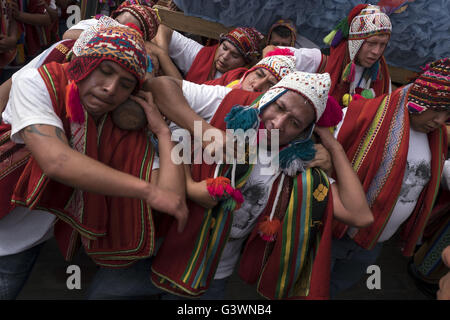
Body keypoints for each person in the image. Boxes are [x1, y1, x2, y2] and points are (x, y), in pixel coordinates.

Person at [101, 71, 372, 301]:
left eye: (295, 123)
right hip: (160, 242)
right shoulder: (229, 104)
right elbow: (159, 85)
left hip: (211, 271)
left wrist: (334, 147)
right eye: (279, 107)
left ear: (304, 133)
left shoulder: (298, 165)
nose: (277, 123)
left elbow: (359, 214)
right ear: (269, 96)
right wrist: (204, 131)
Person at [0, 25, 188, 300]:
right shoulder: (37, 81)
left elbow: (171, 195)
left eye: (125, 84)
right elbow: (56, 159)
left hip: (22, 246)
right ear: (82, 65)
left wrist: (162, 131)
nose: (111, 89)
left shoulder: (119, 130)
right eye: (106, 70)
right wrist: (147, 190)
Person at [330, 57, 450, 298]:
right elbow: (323, 163)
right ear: (421, 98)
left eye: (447, 114)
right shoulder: (361, 115)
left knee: (336, 288)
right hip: (337, 233)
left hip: (376, 240)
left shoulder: (437, 137)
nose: (440, 120)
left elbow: (436, 174)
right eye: (437, 110)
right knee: (310, 287)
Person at [265, 4, 392, 108]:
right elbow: (270, 51)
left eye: (383, 45)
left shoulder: (381, 79)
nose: (377, 51)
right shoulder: (319, 60)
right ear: (355, 42)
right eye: (371, 43)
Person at [154, 24, 263, 84]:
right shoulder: (202, 55)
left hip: (201, 123)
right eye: (224, 48)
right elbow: (162, 29)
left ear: (245, 63)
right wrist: (162, 56)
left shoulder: (240, 84)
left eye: (234, 56)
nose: (225, 57)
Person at [204, 49, 296, 93]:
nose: (257, 85)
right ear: (248, 72)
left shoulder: (270, 127)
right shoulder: (230, 78)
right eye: (259, 74)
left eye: (271, 85)